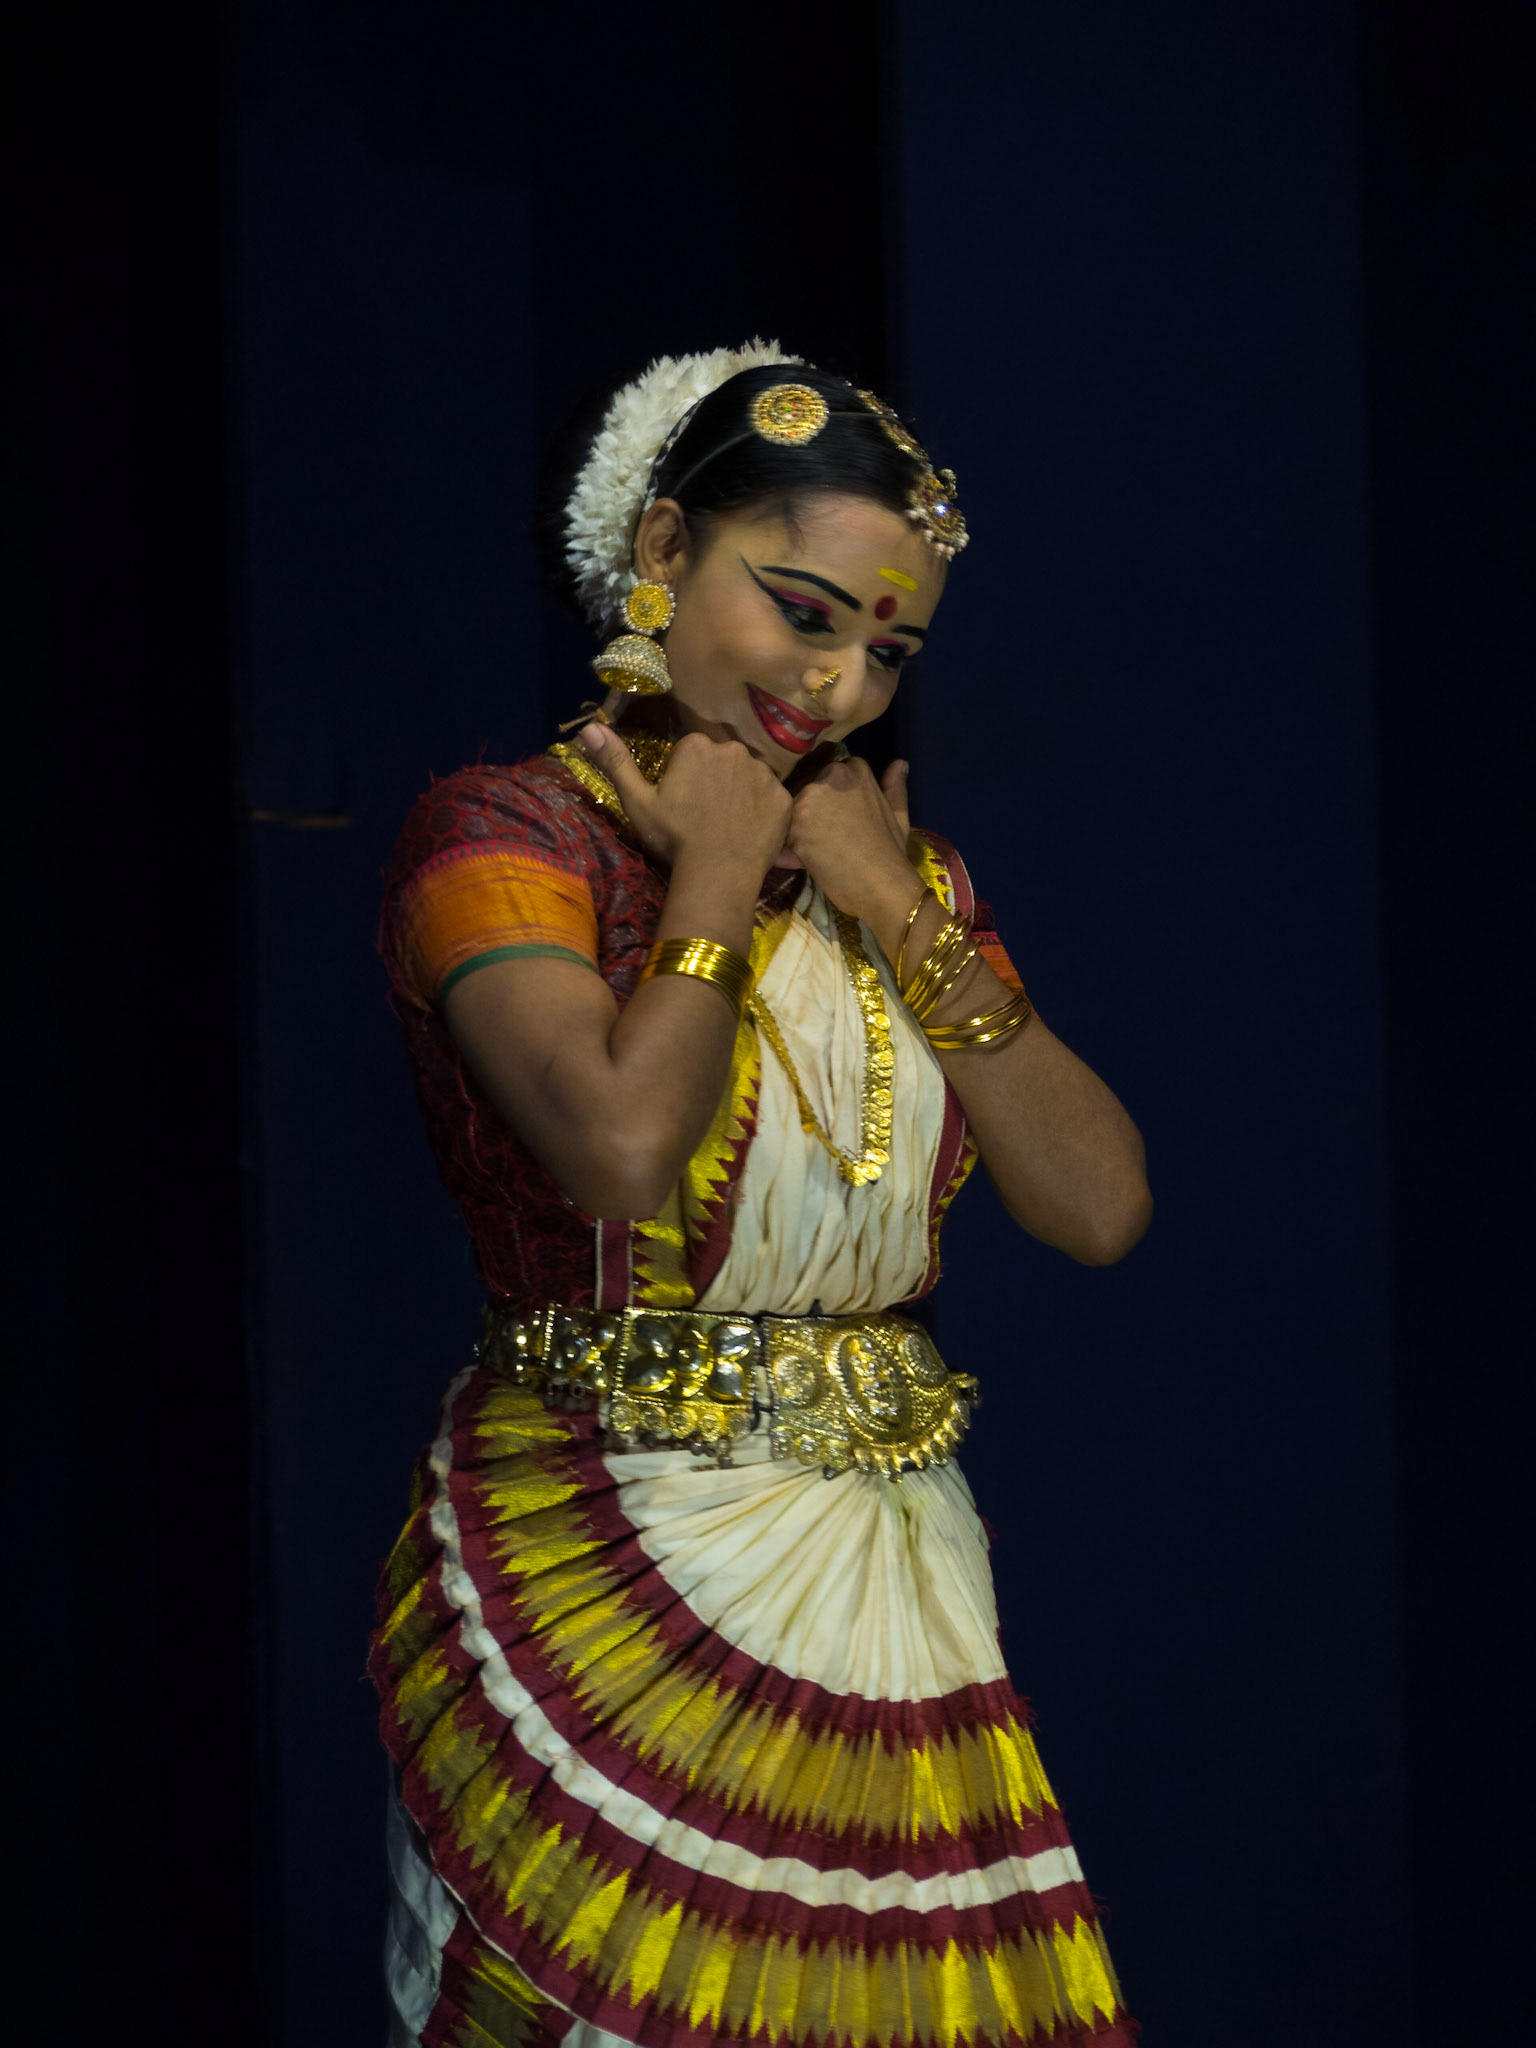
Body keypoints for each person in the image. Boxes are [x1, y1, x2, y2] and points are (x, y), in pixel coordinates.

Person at [372, 342, 1151, 2048]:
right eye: (801, 611)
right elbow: (620, 1148)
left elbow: (1096, 1207)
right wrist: (720, 869)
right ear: (661, 554)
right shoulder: (502, 835)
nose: (842, 685)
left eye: (889, 648)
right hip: (602, 1558)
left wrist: (895, 907)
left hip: (885, 1580)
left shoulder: (899, 878)